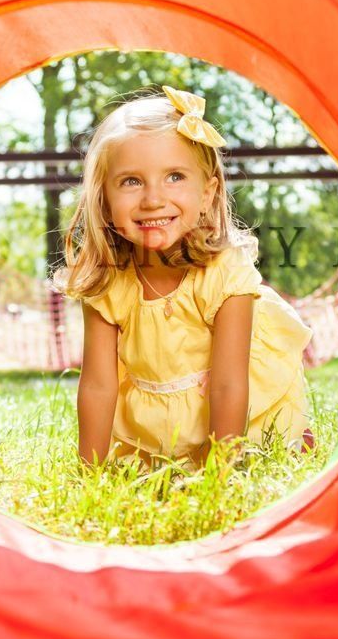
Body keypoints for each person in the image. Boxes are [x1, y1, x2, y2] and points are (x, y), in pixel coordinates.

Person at [51, 85, 314, 466]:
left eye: (174, 176)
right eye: (131, 181)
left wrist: (221, 473)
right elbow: (97, 385)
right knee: (153, 474)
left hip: (234, 418)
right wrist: (89, 470)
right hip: (160, 424)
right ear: (104, 203)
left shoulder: (226, 275)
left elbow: (228, 384)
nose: (153, 198)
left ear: (207, 194)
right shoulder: (108, 283)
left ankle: (284, 440)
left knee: (270, 451)